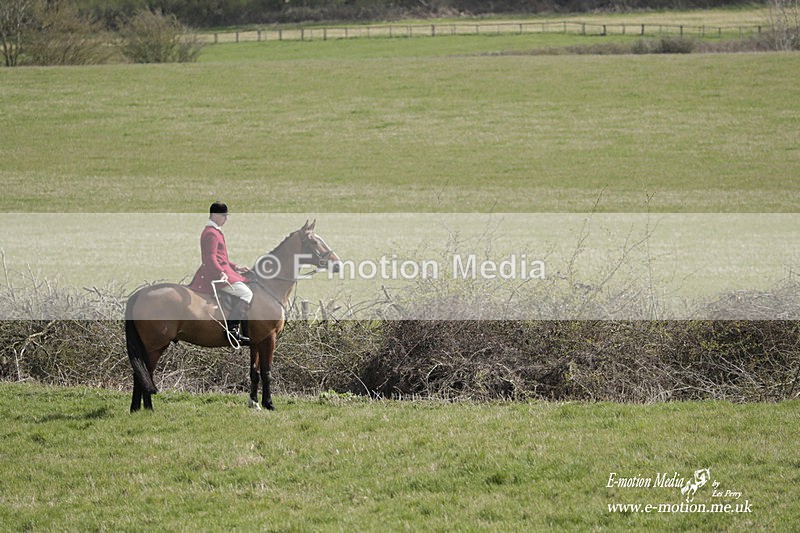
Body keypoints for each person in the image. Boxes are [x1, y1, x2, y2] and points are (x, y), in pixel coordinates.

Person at [189, 201, 252, 346]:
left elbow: (220, 258)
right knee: (247, 294)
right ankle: (232, 330)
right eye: (224, 216)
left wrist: (236, 267)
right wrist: (220, 273)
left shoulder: (214, 231)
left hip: (221, 270)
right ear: (215, 215)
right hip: (215, 273)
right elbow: (210, 258)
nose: (226, 219)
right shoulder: (211, 233)